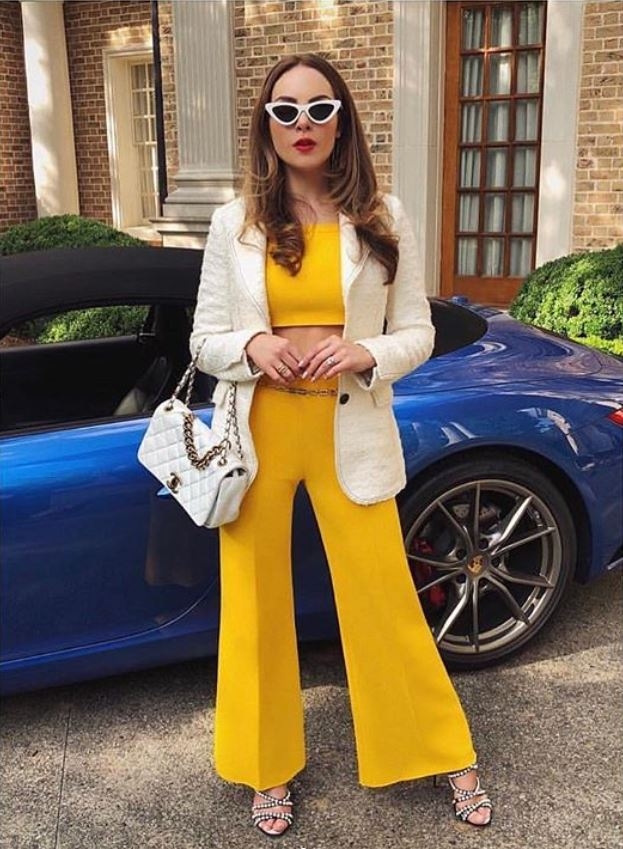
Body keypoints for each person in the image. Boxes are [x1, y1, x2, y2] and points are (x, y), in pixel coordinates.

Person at [189, 53, 493, 837]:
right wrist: (251, 345)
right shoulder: (234, 221)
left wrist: (365, 351)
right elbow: (203, 338)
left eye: (319, 109)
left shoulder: (382, 214)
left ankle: (438, 748)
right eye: (285, 110)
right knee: (253, 607)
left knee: (381, 596)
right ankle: (264, 764)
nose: (302, 125)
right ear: (265, 123)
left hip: (349, 424)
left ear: (341, 120)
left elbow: (417, 330)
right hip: (258, 431)